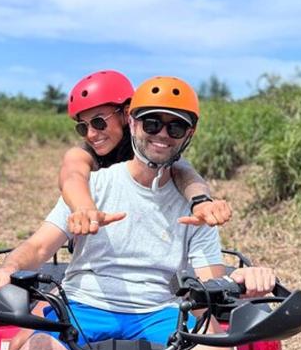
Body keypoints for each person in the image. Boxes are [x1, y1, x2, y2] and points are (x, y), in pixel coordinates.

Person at [0, 76, 275, 350]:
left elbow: (210, 284)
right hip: (82, 309)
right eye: (152, 123)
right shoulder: (94, 185)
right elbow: (38, 246)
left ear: (189, 134)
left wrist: (239, 281)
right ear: (132, 122)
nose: (162, 135)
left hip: (161, 315)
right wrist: (6, 269)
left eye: (175, 127)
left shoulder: (197, 208)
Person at [60, 70, 232, 235]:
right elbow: (73, 174)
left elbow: (183, 170)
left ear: (126, 114)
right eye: (82, 127)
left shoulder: (146, 142)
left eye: (98, 122)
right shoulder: (84, 152)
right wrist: (84, 208)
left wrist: (201, 201)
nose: (90, 134)